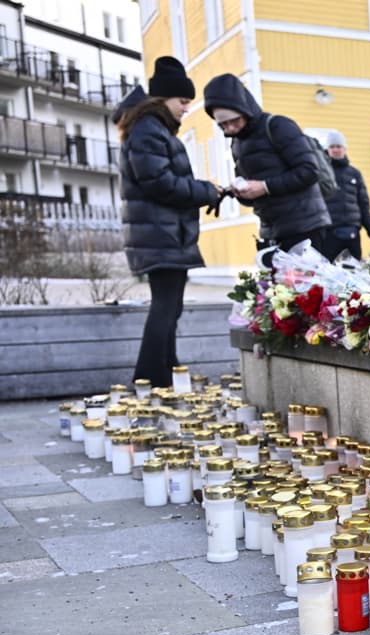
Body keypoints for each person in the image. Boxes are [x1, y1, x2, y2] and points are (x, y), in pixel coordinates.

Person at [118, 57, 222, 388]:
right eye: (183, 101)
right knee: (164, 306)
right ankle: (150, 377)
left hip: (164, 232)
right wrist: (206, 191)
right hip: (159, 234)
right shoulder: (148, 128)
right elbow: (160, 183)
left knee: (171, 305)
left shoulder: (153, 128)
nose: (186, 109)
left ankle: (167, 368)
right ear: (163, 99)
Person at [201, 73, 330, 257]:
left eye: (234, 120)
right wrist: (240, 192)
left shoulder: (278, 126)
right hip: (272, 230)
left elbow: (309, 172)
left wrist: (265, 187)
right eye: (223, 124)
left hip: (305, 226)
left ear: (245, 111)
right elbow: (254, 194)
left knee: (306, 285)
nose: (230, 128)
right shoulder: (237, 143)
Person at [317, 131, 370, 261]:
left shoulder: (355, 174)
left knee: (354, 274)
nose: (335, 150)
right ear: (327, 149)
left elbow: (364, 206)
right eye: (332, 146)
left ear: (345, 149)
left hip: (352, 234)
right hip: (329, 234)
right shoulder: (321, 173)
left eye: (339, 146)